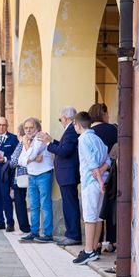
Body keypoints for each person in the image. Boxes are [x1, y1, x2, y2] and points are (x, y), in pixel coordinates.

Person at [37, 106, 81, 246]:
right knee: (68, 205)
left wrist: (48, 143)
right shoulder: (69, 131)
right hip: (66, 173)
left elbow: (65, 152)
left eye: (60, 118)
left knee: (70, 205)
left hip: (68, 173)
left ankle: (74, 235)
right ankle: (70, 234)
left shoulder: (71, 130)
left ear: (66, 118)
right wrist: (52, 141)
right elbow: (63, 147)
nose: (60, 121)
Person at [72, 111, 111, 265]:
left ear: (78, 125)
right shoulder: (97, 138)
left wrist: (99, 179)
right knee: (98, 216)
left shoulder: (83, 139)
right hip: (101, 181)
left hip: (91, 182)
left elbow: (91, 162)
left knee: (89, 217)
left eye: (74, 124)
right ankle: (94, 249)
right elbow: (108, 159)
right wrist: (102, 172)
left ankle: (88, 250)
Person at [19, 117, 54, 243]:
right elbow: (21, 161)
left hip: (44, 175)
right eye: (26, 128)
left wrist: (27, 146)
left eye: (31, 127)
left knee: (45, 205)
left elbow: (31, 155)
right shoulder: (28, 140)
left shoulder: (40, 137)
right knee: (33, 206)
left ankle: (48, 234)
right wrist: (32, 156)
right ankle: (34, 232)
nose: (28, 130)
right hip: (31, 175)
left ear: (37, 128)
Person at [89, 103, 117, 253]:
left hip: (93, 175)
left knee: (95, 211)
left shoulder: (89, 132)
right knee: (111, 208)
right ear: (103, 114)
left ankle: (97, 244)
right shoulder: (113, 129)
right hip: (112, 172)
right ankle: (112, 241)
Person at [8, 124, 31, 234]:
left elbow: (13, 162)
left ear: (18, 133)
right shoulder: (30, 141)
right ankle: (27, 226)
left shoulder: (21, 143)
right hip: (29, 175)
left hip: (21, 176)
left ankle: (25, 227)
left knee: (19, 202)